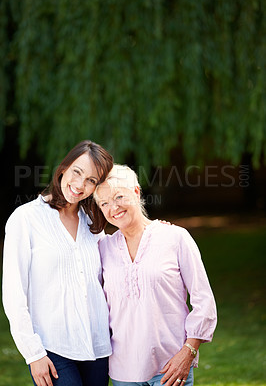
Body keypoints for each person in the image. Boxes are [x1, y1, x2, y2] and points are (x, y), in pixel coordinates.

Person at [93, 164, 217, 386]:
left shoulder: (176, 238)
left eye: (119, 196)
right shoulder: (102, 248)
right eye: (104, 203)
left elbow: (204, 299)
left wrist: (189, 351)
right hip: (122, 371)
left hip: (171, 368)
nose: (113, 207)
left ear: (137, 192)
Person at [2, 140, 113, 386]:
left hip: (97, 346)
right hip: (52, 348)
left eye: (91, 180)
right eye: (77, 172)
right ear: (64, 168)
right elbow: (13, 293)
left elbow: (113, 273)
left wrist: (153, 232)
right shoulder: (25, 219)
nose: (80, 185)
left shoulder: (93, 225)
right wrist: (33, 353)